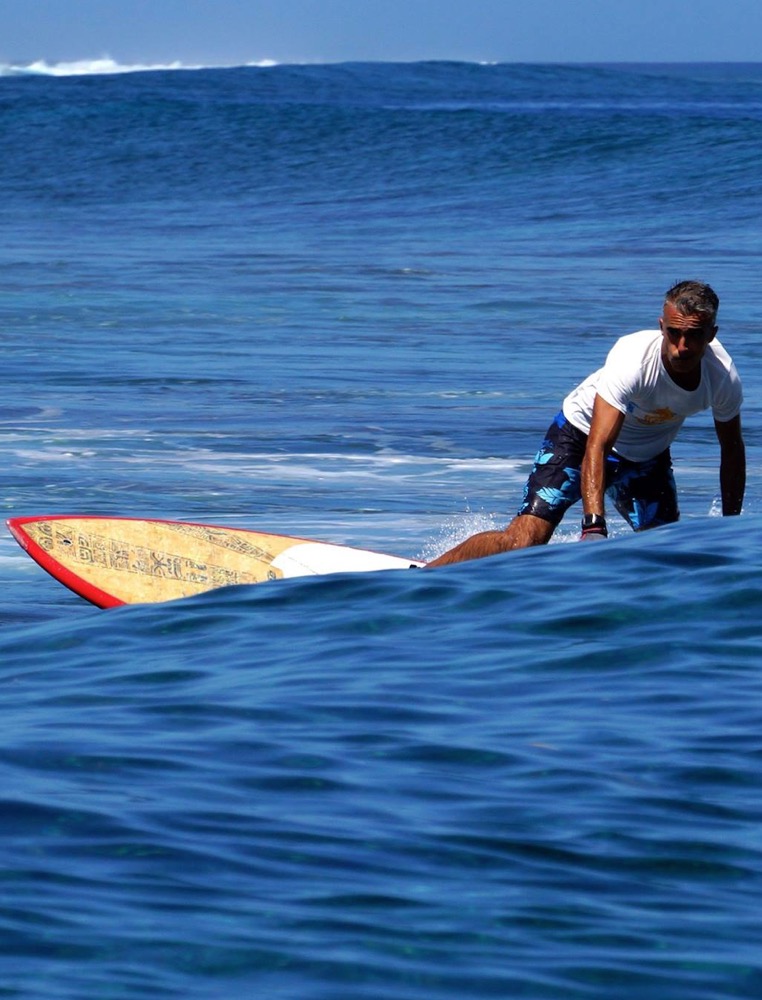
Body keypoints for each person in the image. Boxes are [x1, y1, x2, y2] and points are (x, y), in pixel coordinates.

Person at [428, 280, 745, 567]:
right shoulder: (633, 360)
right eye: (674, 333)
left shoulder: (722, 378)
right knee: (523, 542)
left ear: (711, 334)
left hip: (647, 458)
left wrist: (731, 526)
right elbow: (598, 444)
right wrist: (594, 526)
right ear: (662, 326)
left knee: (668, 558)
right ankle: (429, 573)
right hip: (579, 439)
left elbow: (731, 451)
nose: (682, 347)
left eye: (694, 335)